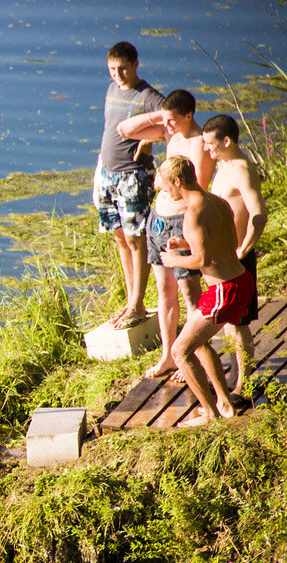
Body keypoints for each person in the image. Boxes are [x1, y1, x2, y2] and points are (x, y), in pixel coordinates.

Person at [118, 89, 215, 379]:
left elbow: (198, 191)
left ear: (189, 116)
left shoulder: (199, 143)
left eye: (173, 119)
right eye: (165, 120)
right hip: (157, 221)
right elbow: (124, 129)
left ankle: (192, 357)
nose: (167, 124)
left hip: (179, 224)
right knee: (164, 291)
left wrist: (190, 233)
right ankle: (168, 356)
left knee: (190, 295)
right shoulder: (171, 135)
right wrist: (158, 118)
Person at [156, 156, 254, 427]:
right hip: (240, 279)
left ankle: (209, 413)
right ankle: (223, 402)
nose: (167, 193)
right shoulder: (217, 202)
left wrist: (174, 259)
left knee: (179, 352)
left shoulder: (193, 212)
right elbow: (226, 242)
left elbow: (202, 261)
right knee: (196, 343)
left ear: (177, 182)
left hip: (223, 289)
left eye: (167, 188)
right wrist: (187, 243)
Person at [92, 42, 165, 331]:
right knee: (120, 237)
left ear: (136, 64)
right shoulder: (112, 90)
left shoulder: (148, 96)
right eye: (112, 68)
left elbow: (173, 122)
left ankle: (137, 305)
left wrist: (150, 140)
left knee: (137, 239)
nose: (117, 74)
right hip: (107, 173)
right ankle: (131, 299)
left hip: (133, 175)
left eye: (122, 68)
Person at [202, 114, 267, 395]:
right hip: (222, 259)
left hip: (237, 260)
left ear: (226, 140)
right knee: (228, 320)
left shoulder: (241, 168)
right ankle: (234, 375)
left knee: (239, 323)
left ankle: (244, 384)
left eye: (210, 143)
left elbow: (259, 214)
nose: (206, 149)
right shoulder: (223, 165)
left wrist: (244, 249)